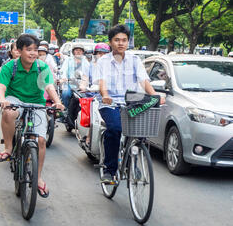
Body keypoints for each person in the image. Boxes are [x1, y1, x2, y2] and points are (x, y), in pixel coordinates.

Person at [0, 34, 64, 198]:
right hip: (15, 99)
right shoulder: (10, 67)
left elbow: (48, 86)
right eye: (29, 50)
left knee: (40, 140)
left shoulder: (41, 68)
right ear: (19, 51)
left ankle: (38, 178)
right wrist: (3, 100)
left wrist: (57, 102)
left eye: (35, 50)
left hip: (36, 103)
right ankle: (8, 148)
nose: (33, 53)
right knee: (8, 113)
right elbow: (1, 87)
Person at [97, 24, 165, 184]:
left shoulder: (135, 60)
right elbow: (102, 83)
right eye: (117, 40)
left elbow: (144, 81)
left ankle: (133, 162)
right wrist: (105, 95)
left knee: (140, 133)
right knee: (114, 129)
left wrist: (155, 95)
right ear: (110, 42)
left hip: (132, 103)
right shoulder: (103, 61)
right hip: (111, 103)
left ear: (128, 42)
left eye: (124, 40)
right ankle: (109, 170)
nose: (121, 43)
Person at [60, 43, 90, 108]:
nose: (78, 51)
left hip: (82, 83)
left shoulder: (85, 61)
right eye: (76, 50)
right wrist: (64, 78)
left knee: (88, 96)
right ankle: (66, 109)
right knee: (66, 94)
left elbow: (88, 73)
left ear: (82, 52)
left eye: (80, 50)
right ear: (73, 51)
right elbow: (63, 70)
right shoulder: (68, 60)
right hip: (70, 83)